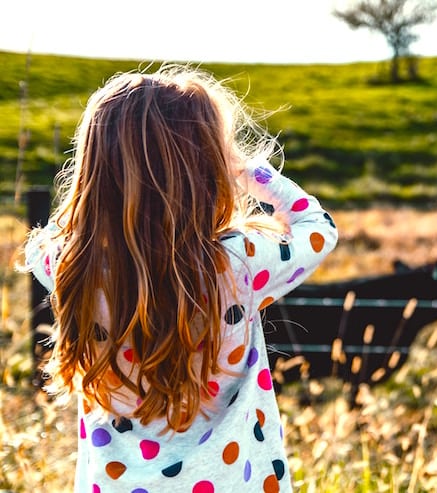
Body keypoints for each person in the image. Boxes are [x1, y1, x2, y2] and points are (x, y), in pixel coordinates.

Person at [21, 65, 338, 493]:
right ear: (209, 170)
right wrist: (249, 171)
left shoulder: (68, 264)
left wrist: (97, 201)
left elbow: (42, 243)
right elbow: (317, 228)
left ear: (93, 172)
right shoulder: (236, 262)